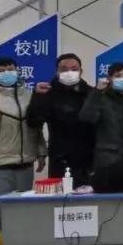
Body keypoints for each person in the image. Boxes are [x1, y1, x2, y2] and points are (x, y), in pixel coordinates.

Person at [0, 57, 46, 223]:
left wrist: (41, 152)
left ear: (17, 71)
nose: (7, 73)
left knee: (22, 215)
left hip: (25, 166)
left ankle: (20, 241)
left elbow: (35, 126)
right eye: (1, 71)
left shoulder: (28, 95)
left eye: (10, 69)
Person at [28, 53, 95, 182]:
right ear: (57, 72)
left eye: (74, 69)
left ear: (81, 72)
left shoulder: (91, 93)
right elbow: (33, 122)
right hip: (60, 159)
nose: (69, 73)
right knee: (61, 194)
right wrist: (37, 97)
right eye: (64, 69)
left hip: (89, 160)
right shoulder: (47, 93)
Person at [78, 62, 123, 194]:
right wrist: (97, 92)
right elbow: (86, 117)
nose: (122, 78)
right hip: (106, 162)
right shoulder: (101, 98)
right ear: (109, 79)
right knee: (104, 202)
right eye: (117, 76)